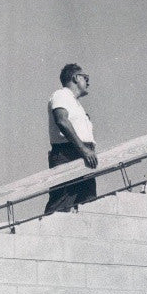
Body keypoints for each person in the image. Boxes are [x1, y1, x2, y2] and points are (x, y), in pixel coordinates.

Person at [44, 63, 98, 215]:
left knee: (88, 204)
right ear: (75, 78)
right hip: (69, 154)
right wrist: (83, 150)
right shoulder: (61, 95)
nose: (88, 82)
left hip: (85, 156)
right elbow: (62, 121)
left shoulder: (76, 104)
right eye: (85, 78)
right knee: (61, 204)